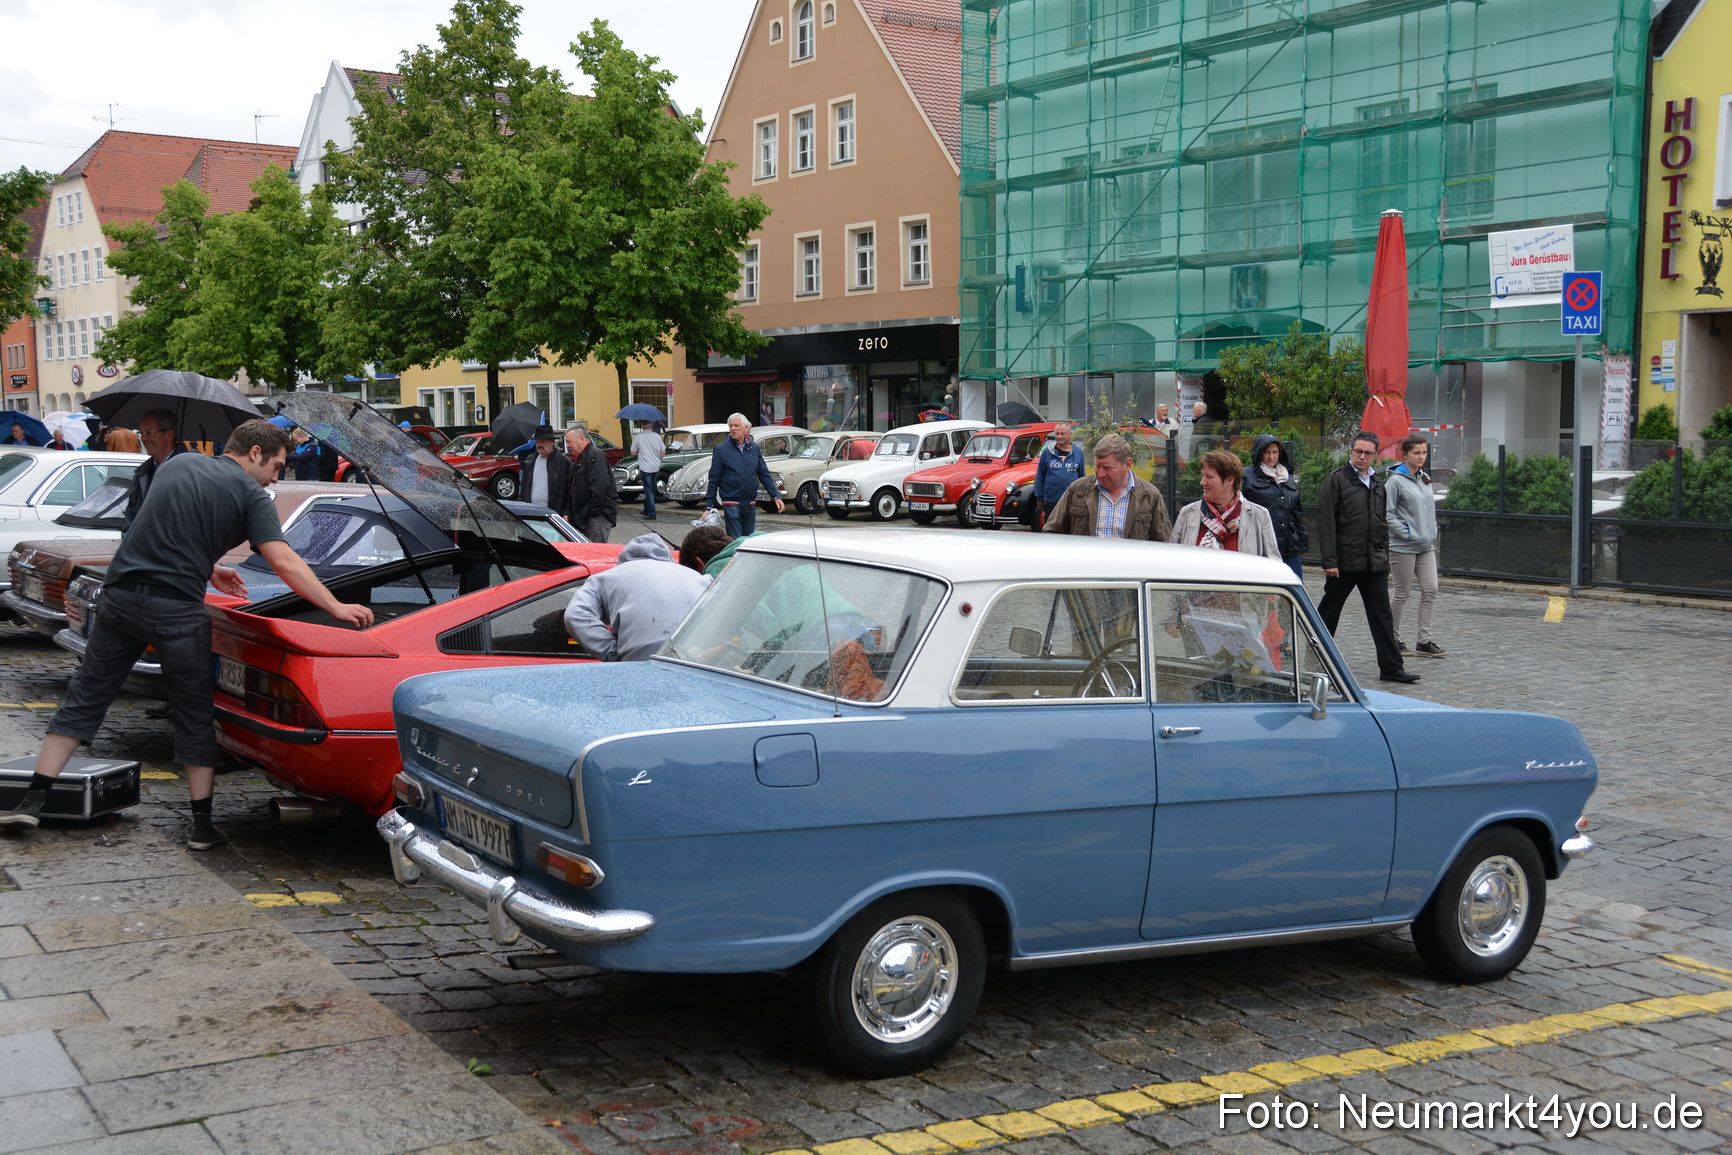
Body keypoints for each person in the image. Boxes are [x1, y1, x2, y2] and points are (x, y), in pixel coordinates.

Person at [0, 420, 374, 844]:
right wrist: (336, 605)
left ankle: (31, 802)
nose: (276, 476)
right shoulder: (253, 497)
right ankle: (201, 827)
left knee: (86, 696)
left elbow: (157, 529)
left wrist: (209, 565)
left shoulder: (177, 466)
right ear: (254, 452)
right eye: (276, 465)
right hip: (176, 609)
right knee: (194, 713)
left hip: (119, 598)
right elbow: (284, 562)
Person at [1317, 431, 1418, 684]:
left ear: (1375, 455)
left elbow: (1381, 521)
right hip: (1344, 562)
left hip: (1374, 562)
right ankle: (1314, 660)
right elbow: (1326, 522)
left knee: (1382, 615)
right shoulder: (1336, 480)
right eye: (1357, 451)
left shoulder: (1377, 483)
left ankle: (1392, 667)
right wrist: (1330, 561)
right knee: (1328, 613)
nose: (1362, 456)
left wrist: (1382, 552)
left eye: (1367, 453)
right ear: (1350, 451)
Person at [563, 533, 710, 661]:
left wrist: (612, 652)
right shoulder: (696, 577)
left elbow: (575, 614)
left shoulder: (605, 578)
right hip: (696, 651)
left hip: (641, 654)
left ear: (624, 560)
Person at [1043, 432, 1172, 541]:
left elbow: (1163, 544)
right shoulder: (1077, 490)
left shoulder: (1149, 496)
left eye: (1107, 468)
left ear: (1127, 464)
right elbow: (1051, 533)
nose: (1100, 474)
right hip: (1086, 570)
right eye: (1097, 466)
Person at [1386, 434, 1445, 658]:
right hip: (1403, 546)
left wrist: (1431, 532)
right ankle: (1393, 638)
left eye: (1424, 452)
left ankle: (1424, 641)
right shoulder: (1395, 482)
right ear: (1404, 455)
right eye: (1417, 453)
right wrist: (1408, 534)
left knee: (1431, 590)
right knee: (1402, 593)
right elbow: (1388, 515)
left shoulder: (1425, 478)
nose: (1421, 457)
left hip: (1426, 545)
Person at [1170, 450, 1282, 559]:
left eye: (1209, 477)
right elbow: (1172, 560)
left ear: (1230, 480)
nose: (1202, 482)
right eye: (1202, 476)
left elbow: (1273, 564)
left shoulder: (1259, 515)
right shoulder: (1187, 514)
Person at [1241, 434, 1308, 579]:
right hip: (1262, 546)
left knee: (1294, 588)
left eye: (1275, 452)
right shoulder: (1246, 475)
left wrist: (1302, 542)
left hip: (1290, 546)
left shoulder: (1287, 476)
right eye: (1267, 452)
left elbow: (1297, 513)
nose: (1271, 457)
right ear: (1259, 453)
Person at [706, 413, 783, 537]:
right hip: (731, 503)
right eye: (730, 426)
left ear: (746, 427)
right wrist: (708, 506)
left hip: (750, 503)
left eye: (736, 425)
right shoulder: (721, 450)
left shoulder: (753, 448)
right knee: (736, 542)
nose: (733, 429)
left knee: (747, 541)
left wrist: (776, 496)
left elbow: (764, 474)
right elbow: (714, 478)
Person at [124, 409, 190, 529]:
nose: (143, 439)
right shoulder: (142, 474)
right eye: (141, 433)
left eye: (149, 433)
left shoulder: (191, 472)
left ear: (169, 435)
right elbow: (132, 517)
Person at [564, 426, 618, 543]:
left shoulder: (594, 456)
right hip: (586, 517)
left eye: (569, 442)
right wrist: (569, 512)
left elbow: (600, 489)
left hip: (596, 518)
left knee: (595, 555)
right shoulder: (579, 460)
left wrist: (592, 514)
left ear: (582, 439)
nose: (567, 446)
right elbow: (574, 490)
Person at [1031, 423, 1084, 531]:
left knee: (1070, 532)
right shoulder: (1047, 452)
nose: (1059, 437)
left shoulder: (1078, 453)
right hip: (1051, 502)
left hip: (1071, 503)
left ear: (1070, 434)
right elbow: (1040, 476)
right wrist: (1039, 498)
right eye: (1057, 434)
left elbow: (1082, 478)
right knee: (1052, 532)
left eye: (1062, 434)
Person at [515, 425, 572, 516]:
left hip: (553, 515)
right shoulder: (530, 461)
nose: (539, 445)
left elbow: (570, 491)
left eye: (543, 441)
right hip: (531, 512)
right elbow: (523, 489)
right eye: (537, 441)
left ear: (552, 442)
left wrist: (567, 513)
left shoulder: (563, 462)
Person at [631, 421, 665, 520]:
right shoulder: (656, 436)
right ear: (651, 426)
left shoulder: (638, 437)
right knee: (652, 489)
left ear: (642, 426)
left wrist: (640, 452)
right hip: (655, 466)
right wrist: (658, 459)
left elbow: (633, 452)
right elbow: (663, 451)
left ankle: (652, 513)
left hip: (645, 467)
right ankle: (647, 509)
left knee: (648, 490)